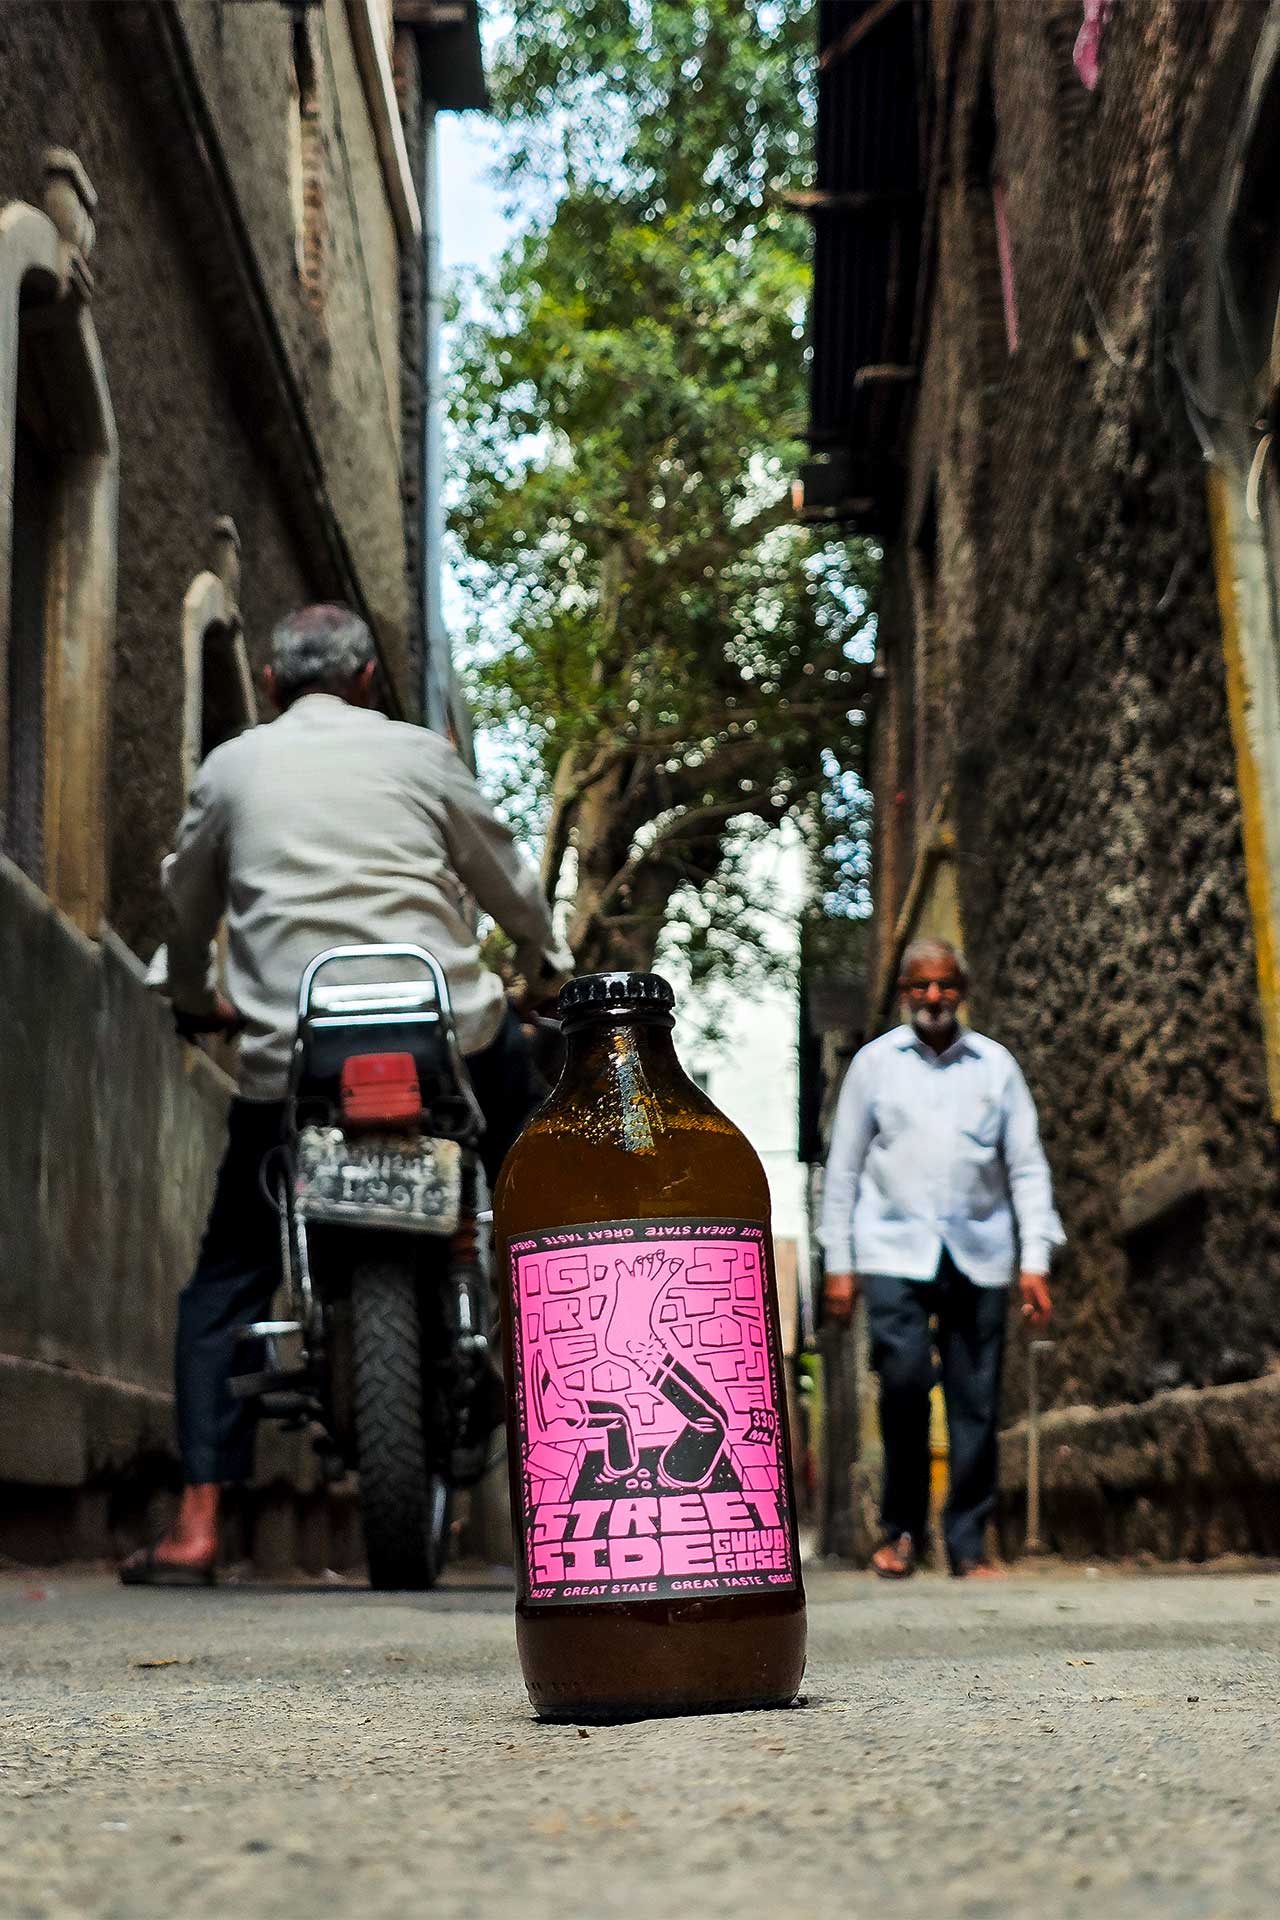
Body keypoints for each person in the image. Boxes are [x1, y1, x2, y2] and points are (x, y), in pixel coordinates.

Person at [121, 604, 572, 1584]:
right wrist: (547, 962)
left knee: (231, 1272)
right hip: (446, 1038)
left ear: (271, 684)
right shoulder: (420, 755)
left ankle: (197, 1525)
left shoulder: (231, 767)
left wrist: (194, 998)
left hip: (296, 1057)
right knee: (546, 1202)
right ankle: (583, 1443)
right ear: (369, 679)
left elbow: (186, 904)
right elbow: (503, 876)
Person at [819, 938, 1063, 1580]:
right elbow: (843, 1170)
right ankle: (901, 1531)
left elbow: (1027, 1167)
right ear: (904, 991)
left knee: (975, 1399)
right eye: (921, 985)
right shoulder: (873, 1066)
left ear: (963, 990)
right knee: (902, 1382)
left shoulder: (996, 1067)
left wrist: (1035, 1260)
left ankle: (967, 1543)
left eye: (946, 984)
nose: (933, 996)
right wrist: (839, 1263)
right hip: (891, 1250)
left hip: (981, 1252)